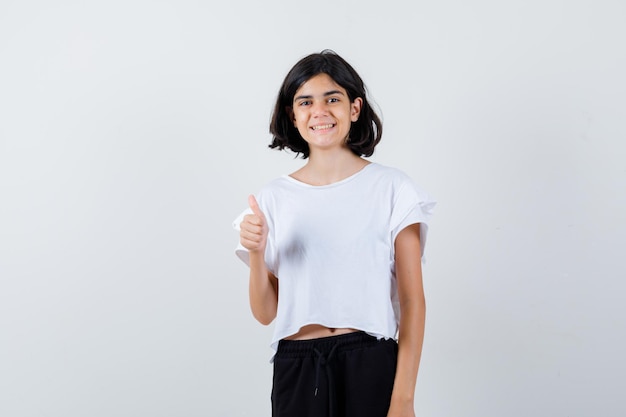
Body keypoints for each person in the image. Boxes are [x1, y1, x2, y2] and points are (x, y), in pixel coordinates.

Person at [233, 49, 435, 417]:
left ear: (354, 109)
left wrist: (403, 399)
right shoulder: (273, 198)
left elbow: (412, 302)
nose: (320, 111)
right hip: (296, 367)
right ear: (292, 115)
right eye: (305, 101)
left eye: (333, 99)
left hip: (370, 360)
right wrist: (257, 253)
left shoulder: (393, 189)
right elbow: (265, 313)